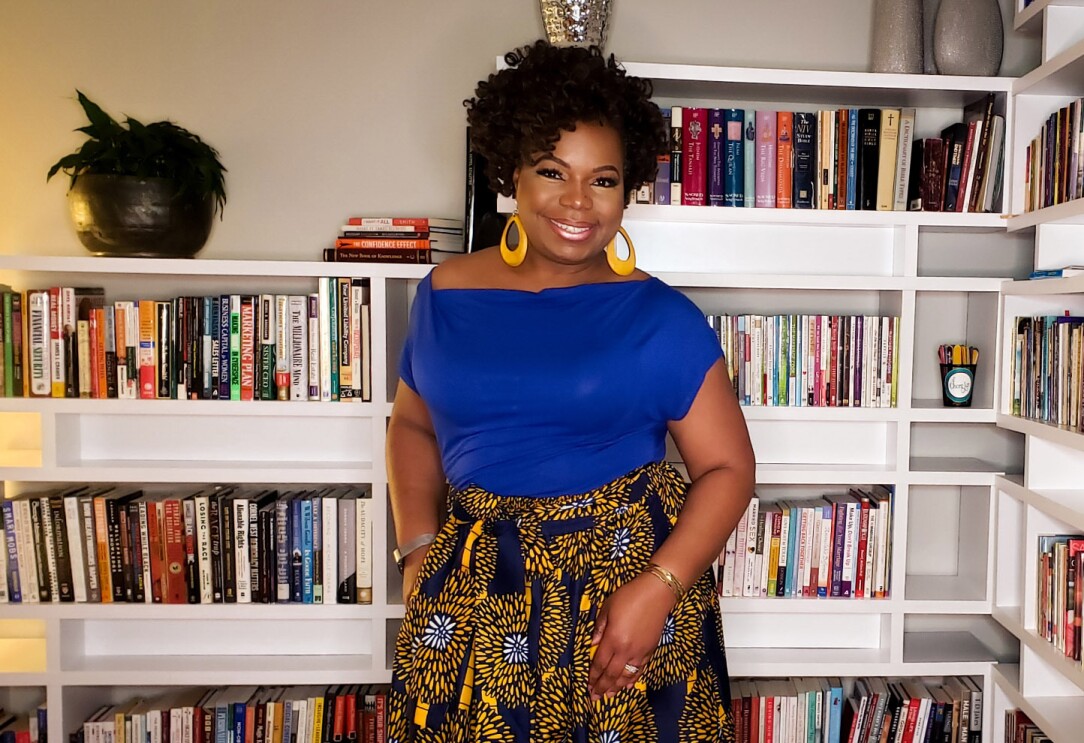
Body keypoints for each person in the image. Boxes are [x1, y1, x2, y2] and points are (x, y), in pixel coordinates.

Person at [386, 40, 756, 743]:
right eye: (553, 171)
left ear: (628, 188)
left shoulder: (660, 316)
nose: (578, 202)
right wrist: (416, 550)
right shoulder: (442, 295)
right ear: (513, 174)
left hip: (620, 601)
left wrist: (659, 589)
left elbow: (729, 468)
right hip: (473, 596)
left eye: (605, 179)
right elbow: (411, 425)